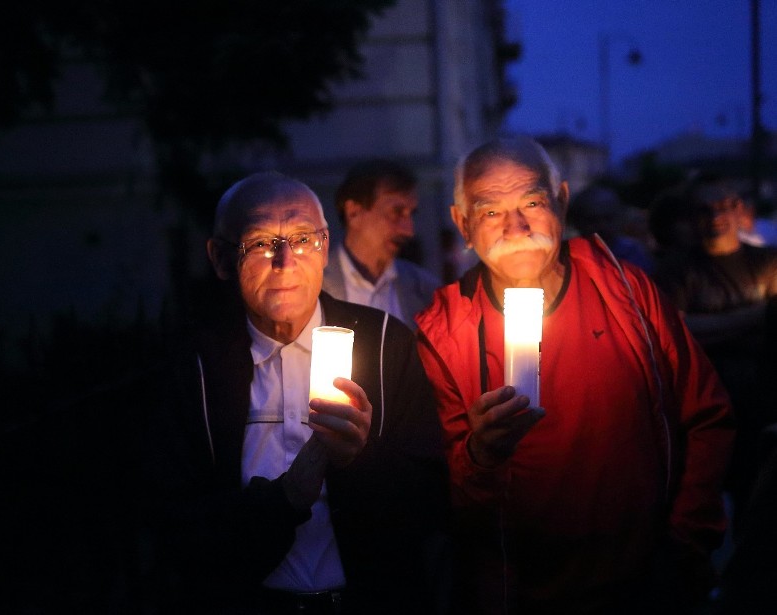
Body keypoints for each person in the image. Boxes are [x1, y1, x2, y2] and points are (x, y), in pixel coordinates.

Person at [415, 137, 735, 614]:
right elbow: (439, 498)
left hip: (647, 581)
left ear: (562, 201)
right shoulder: (443, 333)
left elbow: (707, 415)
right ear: (462, 224)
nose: (516, 226)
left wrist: (685, 544)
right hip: (519, 592)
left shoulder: (626, 290)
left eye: (532, 202)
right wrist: (482, 454)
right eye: (490, 213)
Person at [142, 171, 450, 614]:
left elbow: (431, 502)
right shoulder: (196, 367)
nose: (285, 261)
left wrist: (359, 458)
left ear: (325, 247)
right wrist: (283, 501)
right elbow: (172, 523)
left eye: (303, 238)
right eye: (260, 242)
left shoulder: (385, 344)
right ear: (221, 259)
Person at [654, 172, 777, 530]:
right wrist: (758, 316)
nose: (716, 216)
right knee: (696, 500)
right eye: (705, 209)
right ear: (692, 217)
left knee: (754, 500)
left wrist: (711, 327)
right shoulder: (676, 270)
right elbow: (675, 332)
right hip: (699, 403)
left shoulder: (767, 261)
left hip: (759, 401)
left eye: (725, 206)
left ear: (741, 210)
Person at [322, 158, 440, 327]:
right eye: (396, 212)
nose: (408, 230)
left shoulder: (427, 291)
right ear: (353, 212)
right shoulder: (312, 289)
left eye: (411, 214)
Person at [568, 184, 655, 274]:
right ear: (577, 222)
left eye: (607, 218)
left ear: (619, 218)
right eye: (592, 220)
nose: (601, 226)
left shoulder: (633, 253)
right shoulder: (567, 256)